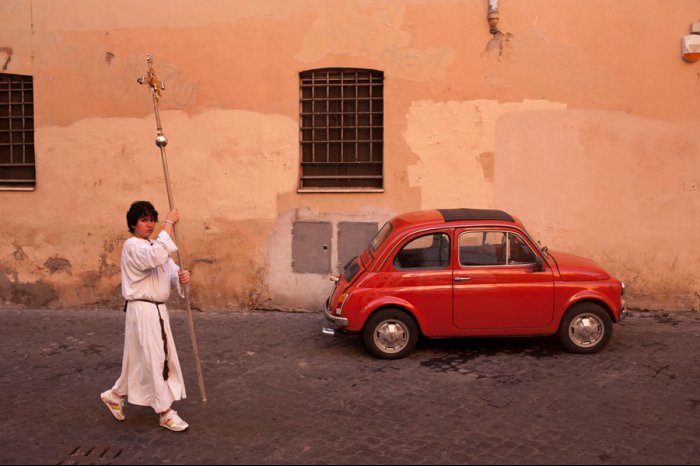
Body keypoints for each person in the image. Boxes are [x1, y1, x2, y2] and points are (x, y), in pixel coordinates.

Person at [100, 200, 191, 432]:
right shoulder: (133, 246)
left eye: (152, 219)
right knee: (154, 358)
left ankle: (115, 395)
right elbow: (154, 257)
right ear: (133, 223)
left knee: (141, 359)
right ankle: (165, 412)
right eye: (143, 220)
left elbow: (169, 270)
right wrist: (169, 223)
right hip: (142, 310)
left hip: (159, 310)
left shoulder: (154, 246)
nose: (149, 224)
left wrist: (181, 278)